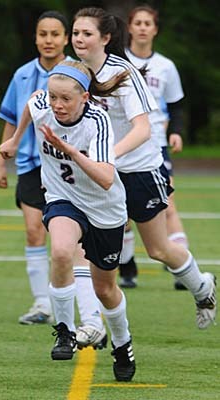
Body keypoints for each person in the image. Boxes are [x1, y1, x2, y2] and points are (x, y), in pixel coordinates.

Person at [70, 7, 216, 350]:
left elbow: (143, 128)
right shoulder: (72, 71)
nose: (79, 39)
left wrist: (108, 153)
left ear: (105, 38)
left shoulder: (123, 73)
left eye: (86, 33)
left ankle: (202, 287)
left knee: (159, 249)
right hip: (101, 174)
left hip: (139, 169)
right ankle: (91, 323)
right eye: (75, 32)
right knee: (79, 246)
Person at [0, 60, 136, 382]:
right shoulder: (42, 103)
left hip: (104, 209)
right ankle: (64, 330)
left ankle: (122, 343)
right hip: (64, 198)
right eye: (54, 97)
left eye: (66, 99)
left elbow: (105, 178)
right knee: (60, 251)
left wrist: (71, 151)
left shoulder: (97, 122)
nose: (57, 105)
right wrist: (16, 140)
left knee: (105, 289)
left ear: (84, 99)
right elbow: (32, 105)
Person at [0, 11, 70, 325]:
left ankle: (73, 299)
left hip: (67, 166)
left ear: (66, 38)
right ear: (36, 38)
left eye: (55, 34)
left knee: (66, 239)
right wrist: (1, 161)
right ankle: (43, 304)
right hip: (29, 165)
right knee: (33, 230)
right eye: (43, 34)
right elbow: (12, 119)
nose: (48, 40)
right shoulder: (23, 74)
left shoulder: (76, 73)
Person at [125, 4, 188, 290]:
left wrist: (175, 132)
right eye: (137, 22)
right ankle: (126, 268)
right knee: (120, 211)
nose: (141, 27)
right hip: (123, 145)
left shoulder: (166, 66)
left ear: (155, 29)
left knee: (168, 204)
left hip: (155, 145)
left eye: (147, 23)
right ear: (129, 27)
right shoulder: (117, 62)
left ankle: (181, 267)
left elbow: (176, 106)